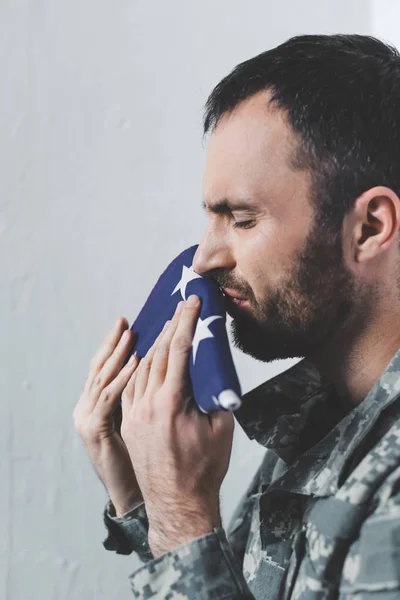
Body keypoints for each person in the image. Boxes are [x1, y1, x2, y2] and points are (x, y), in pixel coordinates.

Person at [73, 34, 400, 599]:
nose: (204, 258)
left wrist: (182, 513)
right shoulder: (317, 423)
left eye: (242, 219)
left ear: (369, 227)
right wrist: (146, 498)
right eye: (211, 216)